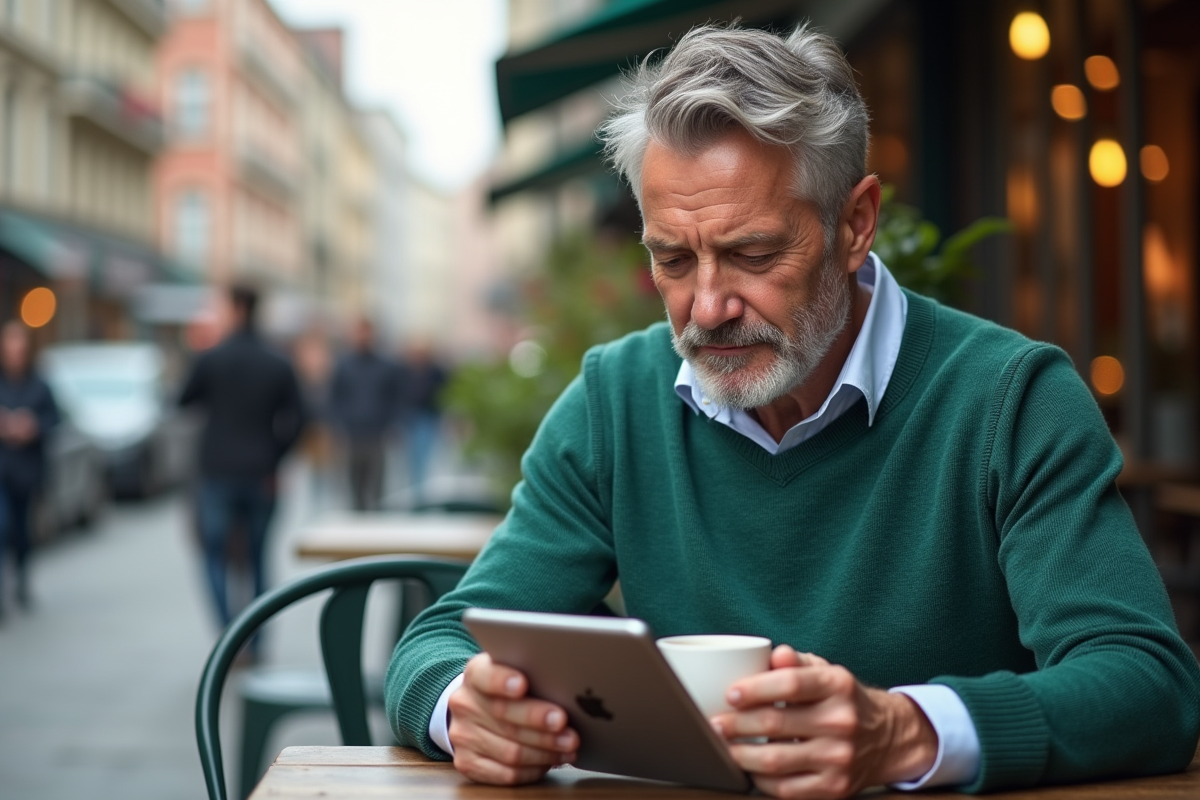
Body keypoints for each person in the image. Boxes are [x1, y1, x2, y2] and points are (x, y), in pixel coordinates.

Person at [384, 24, 1200, 798]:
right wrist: (464, 708)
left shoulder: (1010, 399)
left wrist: (908, 732)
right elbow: (439, 641)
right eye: (672, 259)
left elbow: (1147, 682)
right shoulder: (615, 400)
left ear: (855, 223)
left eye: (753, 254)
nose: (706, 308)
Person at [180, 285, 306, 631]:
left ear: (235, 309)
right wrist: (276, 456)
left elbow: (182, 400)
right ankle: (256, 639)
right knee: (257, 560)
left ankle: (227, 636)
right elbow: (302, 417)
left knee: (214, 556)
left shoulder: (211, 358)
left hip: (217, 471)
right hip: (262, 472)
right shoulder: (278, 361)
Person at [0, 321, 58, 619]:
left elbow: (55, 419)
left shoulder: (40, 384)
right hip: (2, 469)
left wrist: (32, 426)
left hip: (26, 471)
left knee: (21, 531)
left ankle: (21, 578)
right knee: (2, 525)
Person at [328, 318, 402, 512]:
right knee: (353, 486)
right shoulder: (344, 365)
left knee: (376, 487)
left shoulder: (386, 366)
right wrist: (339, 423)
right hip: (351, 434)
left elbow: (395, 397)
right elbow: (335, 397)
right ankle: (357, 521)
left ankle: (375, 524)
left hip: (376, 433)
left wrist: (391, 424)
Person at [398, 340, 447, 507]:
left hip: (427, 416)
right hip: (410, 417)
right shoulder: (405, 371)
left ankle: (420, 494)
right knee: (411, 457)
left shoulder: (435, 371)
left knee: (424, 456)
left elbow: (442, 394)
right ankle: (414, 492)